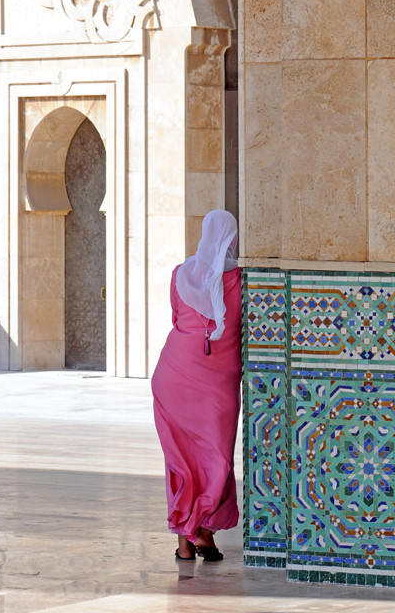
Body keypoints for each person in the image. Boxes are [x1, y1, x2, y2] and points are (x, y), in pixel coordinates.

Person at [151, 209, 242, 562]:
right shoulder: (240, 281)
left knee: (183, 460)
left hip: (174, 372)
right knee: (216, 458)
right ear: (232, 239)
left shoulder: (181, 274)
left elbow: (176, 318)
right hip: (215, 381)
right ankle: (201, 532)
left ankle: (187, 539)